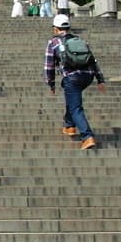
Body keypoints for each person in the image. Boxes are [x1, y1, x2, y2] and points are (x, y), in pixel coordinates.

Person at [45, 14, 106, 149]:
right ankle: (69, 126)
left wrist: (51, 83)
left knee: (76, 108)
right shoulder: (80, 40)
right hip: (88, 77)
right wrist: (100, 79)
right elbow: (92, 60)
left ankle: (87, 136)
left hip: (72, 78)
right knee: (72, 100)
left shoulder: (53, 42)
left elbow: (49, 66)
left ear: (55, 29)